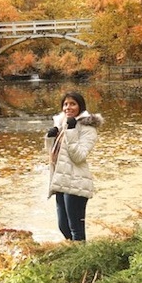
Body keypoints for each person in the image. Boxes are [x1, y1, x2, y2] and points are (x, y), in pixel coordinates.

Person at [44, 91, 103, 241]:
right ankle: (73, 254)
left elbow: (79, 156)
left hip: (76, 181)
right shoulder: (61, 124)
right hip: (60, 179)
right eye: (65, 104)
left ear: (80, 106)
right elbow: (54, 156)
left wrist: (70, 131)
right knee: (63, 226)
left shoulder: (88, 128)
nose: (68, 107)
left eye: (72, 104)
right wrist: (51, 137)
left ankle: (82, 260)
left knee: (75, 228)